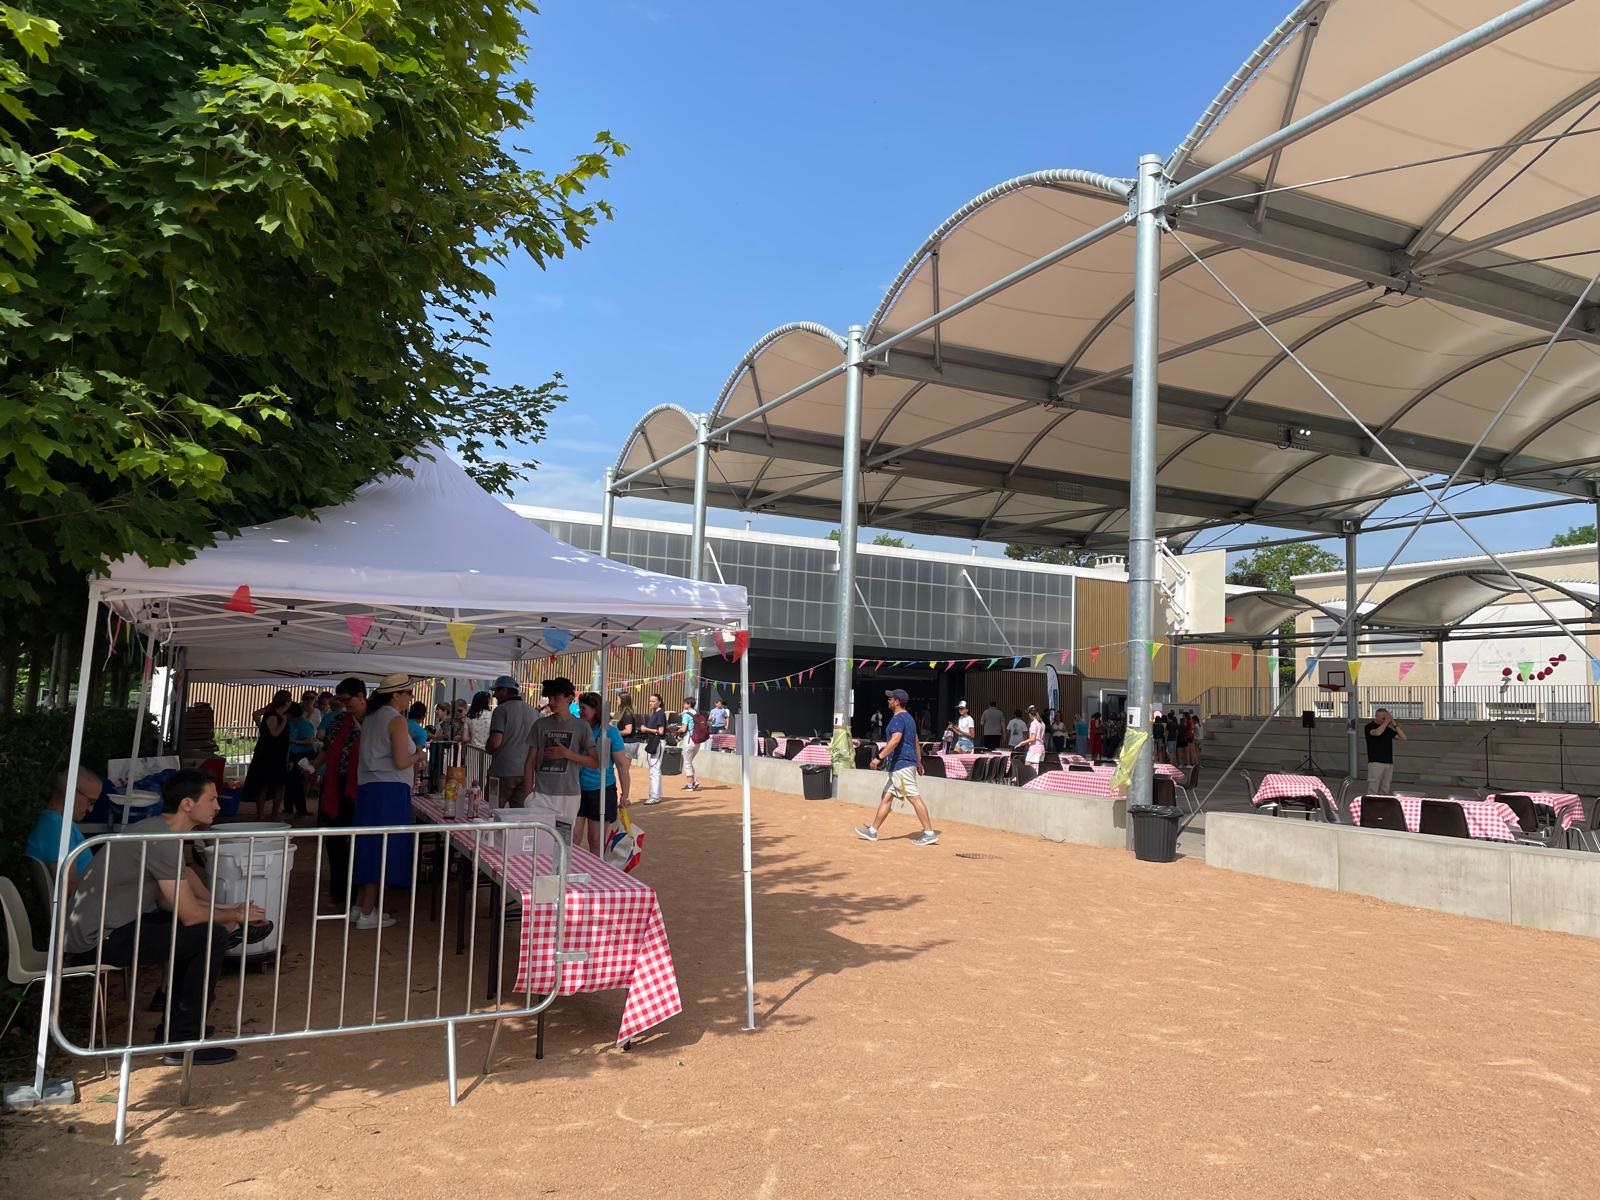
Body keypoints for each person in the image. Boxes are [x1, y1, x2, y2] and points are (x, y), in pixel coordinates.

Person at [65, 769, 269, 1065]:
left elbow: (169, 901)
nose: (218, 806)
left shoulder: (159, 831)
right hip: (96, 940)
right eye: (211, 799)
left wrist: (231, 911)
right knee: (209, 937)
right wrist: (234, 913)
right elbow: (189, 914)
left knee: (198, 933)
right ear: (187, 804)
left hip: (102, 930)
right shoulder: (161, 839)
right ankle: (183, 1042)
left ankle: (175, 1031)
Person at [352, 675, 427, 930]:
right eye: (408, 693)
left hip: (369, 788)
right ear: (396, 695)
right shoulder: (396, 720)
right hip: (389, 789)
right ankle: (367, 911)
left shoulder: (371, 717)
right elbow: (401, 761)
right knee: (382, 848)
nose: (410, 698)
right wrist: (419, 755)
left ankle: (360, 907)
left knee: (368, 845)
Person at [313, 677, 367, 914]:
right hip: (335, 785)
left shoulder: (374, 722)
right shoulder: (338, 721)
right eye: (342, 701)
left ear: (361, 696)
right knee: (334, 838)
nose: (346, 705)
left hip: (361, 787)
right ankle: (339, 888)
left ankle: (358, 889)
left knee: (358, 840)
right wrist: (312, 767)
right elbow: (327, 751)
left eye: (348, 700)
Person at [857, 689, 938, 845]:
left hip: (901, 765)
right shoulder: (909, 718)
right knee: (886, 797)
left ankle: (929, 833)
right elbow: (915, 740)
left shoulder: (898, 719)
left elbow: (895, 740)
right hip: (903, 764)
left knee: (914, 797)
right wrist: (918, 761)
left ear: (897, 701)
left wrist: (878, 757)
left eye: (891, 698)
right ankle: (873, 831)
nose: (888, 700)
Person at [522, 677, 598, 840]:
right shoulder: (540, 725)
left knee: (562, 843)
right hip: (541, 794)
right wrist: (528, 794)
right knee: (537, 840)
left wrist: (567, 754)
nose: (551, 702)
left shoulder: (582, 727)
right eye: (549, 697)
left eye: (556, 697)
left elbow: (594, 762)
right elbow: (529, 762)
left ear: (570, 698)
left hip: (568, 795)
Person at [25, 767, 102, 895]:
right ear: (71, 791)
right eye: (91, 801)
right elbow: (68, 886)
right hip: (88, 904)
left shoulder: (56, 823)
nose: (91, 809)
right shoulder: (56, 828)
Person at [576, 691, 630, 855]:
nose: (580, 711)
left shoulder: (610, 732)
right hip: (576, 789)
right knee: (572, 837)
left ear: (596, 711)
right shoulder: (578, 729)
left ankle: (596, 869)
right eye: (580, 708)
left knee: (596, 840)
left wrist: (625, 794)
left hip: (601, 790)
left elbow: (621, 764)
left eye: (583, 708)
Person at [485, 674, 535, 807]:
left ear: (504, 690)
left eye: (496, 691)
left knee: (492, 810)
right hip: (525, 773)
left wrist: (488, 748)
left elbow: (495, 742)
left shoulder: (501, 710)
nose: (494, 695)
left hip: (502, 771)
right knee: (518, 815)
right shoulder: (533, 712)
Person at [242, 689, 293, 820]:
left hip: (279, 753)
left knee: (279, 784)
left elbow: (255, 714)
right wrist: (283, 722)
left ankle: (274, 813)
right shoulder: (272, 715)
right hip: (268, 753)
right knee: (264, 784)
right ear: (286, 702)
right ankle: (261, 814)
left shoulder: (276, 713)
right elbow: (275, 733)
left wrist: (261, 726)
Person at [284, 702, 319, 820]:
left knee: (296, 782)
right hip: (293, 754)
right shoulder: (290, 723)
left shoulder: (304, 724)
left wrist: (293, 741)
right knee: (291, 782)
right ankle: (290, 808)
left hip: (303, 755)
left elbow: (310, 740)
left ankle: (300, 809)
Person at [1364, 708, 1405, 793]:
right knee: (1373, 786)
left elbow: (1403, 737)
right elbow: (1377, 733)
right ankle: (1371, 800)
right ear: (1376, 716)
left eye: (1385, 717)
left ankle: (1383, 800)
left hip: (1388, 762)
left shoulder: (1387, 729)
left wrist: (1394, 723)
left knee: (1385, 787)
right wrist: (1387, 721)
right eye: (1383, 717)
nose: (1384, 719)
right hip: (1376, 762)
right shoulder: (1369, 726)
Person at [641, 692, 669, 804]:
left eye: (653, 701)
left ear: (659, 702)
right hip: (653, 741)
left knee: (654, 769)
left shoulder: (660, 714)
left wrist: (646, 729)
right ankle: (657, 794)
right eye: (650, 701)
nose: (650, 703)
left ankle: (654, 796)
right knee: (655, 769)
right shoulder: (655, 713)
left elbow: (661, 731)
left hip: (658, 742)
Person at [681, 696, 704, 792]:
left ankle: (690, 785)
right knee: (689, 761)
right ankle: (694, 781)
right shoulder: (697, 714)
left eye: (685, 703)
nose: (683, 704)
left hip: (689, 740)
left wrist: (674, 730)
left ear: (689, 704)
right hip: (697, 741)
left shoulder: (686, 714)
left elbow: (683, 729)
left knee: (687, 762)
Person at [1023, 704, 1047, 769]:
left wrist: (1022, 743)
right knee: (1038, 770)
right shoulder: (1042, 724)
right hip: (1041, 749)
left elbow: (1032, 738)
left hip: (1034, 749)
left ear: (1030, 714)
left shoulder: (1034, 723)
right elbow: (1043, 738)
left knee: (1027, 769)